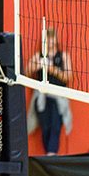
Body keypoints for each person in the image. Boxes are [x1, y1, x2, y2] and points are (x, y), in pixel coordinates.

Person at [24, 27, 72, 155]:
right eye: (47, 38)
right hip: (42, 97)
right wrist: (37, 65)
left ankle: (52, 155)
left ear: (56, 40)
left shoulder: (63, 56)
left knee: (56, 126)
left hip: (58, 96)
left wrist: (51, 69)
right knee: (45, 127)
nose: (50, 41)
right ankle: (48, 155)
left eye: (52, 37)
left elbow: (68, 77)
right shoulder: (38, 56)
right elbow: (26, 73)